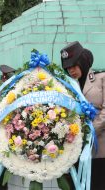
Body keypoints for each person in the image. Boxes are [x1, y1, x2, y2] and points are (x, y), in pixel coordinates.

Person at [61, 41, 105, 190]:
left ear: (82, 61)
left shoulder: (101, 78)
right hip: (75, 150)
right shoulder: (67, 86)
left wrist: (89, 132)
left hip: (100, 148)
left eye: (74, 66)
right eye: (67, 68)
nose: (71, 71)